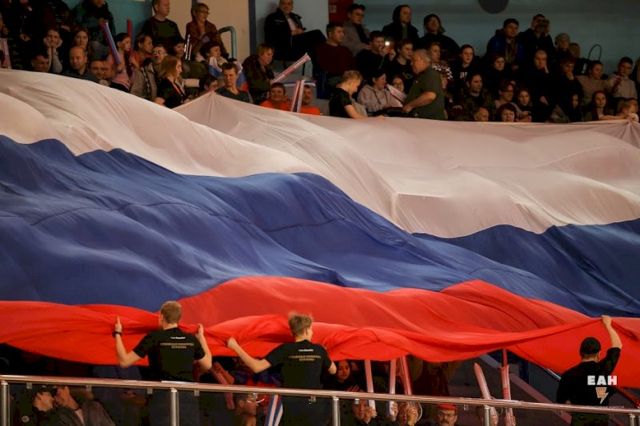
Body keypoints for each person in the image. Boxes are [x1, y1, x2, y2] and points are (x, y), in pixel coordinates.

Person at [227, 313, 337, 426]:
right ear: (306, 330)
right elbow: (333, 370)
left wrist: (236, 347)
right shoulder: (319, 350)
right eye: (311, 329)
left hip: (292, 407)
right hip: (315, 407)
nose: (312, 332)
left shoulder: (285, 349)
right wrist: (324, 354)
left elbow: (257, 367)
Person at [114, 300, 211, 426]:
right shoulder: (190, 339)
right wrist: (202, 339)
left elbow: (124, 361)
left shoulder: (154, 337)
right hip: (188, 396)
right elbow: (207, 364)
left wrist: (117, 333)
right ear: (179, 318)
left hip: (162, 396)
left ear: (161, 317)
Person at [556, 315, 622, 426]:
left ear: (580, 353)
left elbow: (562, 403)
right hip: (601, 422)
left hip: (579, 422)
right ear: (599, 354)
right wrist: (608, 325)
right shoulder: (603, 369)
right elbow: (618, 346)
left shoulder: (568, 375)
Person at [314, 21, 356, 98]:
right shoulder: (321, 49)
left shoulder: (345, 50)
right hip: (331, 79)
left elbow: (353, 66)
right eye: (339, 32)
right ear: (330, 34)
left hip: (347, 78)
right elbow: (323, 68)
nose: (342, 35)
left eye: (343, 32)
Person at [403, 49, 445, 120]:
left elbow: (430, 96)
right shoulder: (422, 75)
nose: (411, 63)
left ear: (424, 60)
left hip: (428, 121)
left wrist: (410, 105)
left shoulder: (430, 74)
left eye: (414, 60)